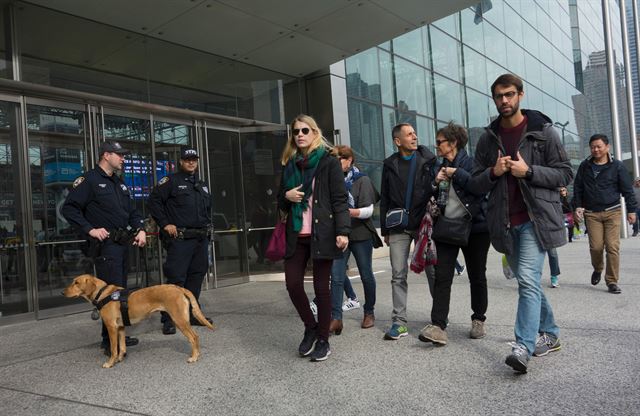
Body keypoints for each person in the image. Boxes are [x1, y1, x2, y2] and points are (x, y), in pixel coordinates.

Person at [469, 74, 573, 373]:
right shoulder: (488, 139)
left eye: (510, 94)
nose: (505, 100)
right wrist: (493, 171)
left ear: (521, 96)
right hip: (503, 223)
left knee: (527, 280)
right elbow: (475, 183)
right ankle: (550, 332)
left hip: (535, 220)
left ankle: (522, 347)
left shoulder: (544, 132)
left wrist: (529, 172)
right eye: (499, 96)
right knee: (526, 280)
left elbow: (565, 174)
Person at [62, 141, 147, 355]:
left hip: (122, 245)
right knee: (108, 295)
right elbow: (69, 209)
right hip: (106, 247)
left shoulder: (119, 184)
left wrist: (140, 229)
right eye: (119, 155)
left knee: (119, 293)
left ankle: (117, 334)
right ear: (106, 155)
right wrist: (89, 229)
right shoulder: (89, 180)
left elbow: (132, 212)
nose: (123, 159)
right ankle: (109, 342)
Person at [277, 114, 350, 362]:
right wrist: (286, 196)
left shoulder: (328, 162)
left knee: (321, 289)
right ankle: (310, 326)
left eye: (305, 130)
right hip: (296, 234)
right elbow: (279, 201)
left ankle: (323, 340)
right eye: (296, 131)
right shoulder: (289, 164)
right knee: (293, 285)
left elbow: (339, 199)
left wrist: (343, 231)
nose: (299, 135)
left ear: (315, 133)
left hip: (323, 233)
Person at [418, 122, 490, 345]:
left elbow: (479, 187)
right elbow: (427, 193)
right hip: (447, 227)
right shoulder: (437, 166)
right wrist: (435, 182)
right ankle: (438, 326)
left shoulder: (472, 163)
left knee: (477, 275)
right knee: (442, 277)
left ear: (453, 143)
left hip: (476, 228)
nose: (437, 145)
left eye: (440, 142)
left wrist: (456, 173)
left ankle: (478, 319)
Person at [380, 123, 437, 340]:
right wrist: (385, 229)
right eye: (409, 134)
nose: (415, 136)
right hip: (398, 226)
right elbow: (384, 197)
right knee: (397, 274)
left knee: (432, 271)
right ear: (398, 141)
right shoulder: (389, 164)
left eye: (415, 132)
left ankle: (438, 317)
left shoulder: (428, 161)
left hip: (423, 225)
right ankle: (399, 322)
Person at [148, 147, 213, 335]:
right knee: (176, 279)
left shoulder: (202, 184)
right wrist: (165, 223)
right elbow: (154, 201)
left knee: (196, 276)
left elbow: (207, 210)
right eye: (187, 159)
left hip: (200, 239)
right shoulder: (171, 181)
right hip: (180, 240)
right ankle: (169, 319)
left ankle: (192, 314)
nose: (191, 162)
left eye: (194, 159)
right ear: (181, 161)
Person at [572, 134, 637, 294]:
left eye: (599, 146)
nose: (595, 149)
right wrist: (578, 206)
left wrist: (632, 210)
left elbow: (628, 190)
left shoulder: (618, 166)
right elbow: (578, 187)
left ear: (607, 147)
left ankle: (612, 281)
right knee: (596, 247)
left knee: (613, 247)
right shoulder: (584, 166)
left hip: (612, 212)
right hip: (592, 214)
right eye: (593, 147)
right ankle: (598, 268)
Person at [328, 145, 380, 334]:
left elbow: (369, 210)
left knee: (366, 274)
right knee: (337, 276)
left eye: (339, 158)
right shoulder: (331, 181)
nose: (336, 162)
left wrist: (347, 212)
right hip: (340, 234)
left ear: (349, 160)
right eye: (333, 158)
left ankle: (369, 312)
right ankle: (336, 318)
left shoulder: (361, 180)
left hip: (360, 234)